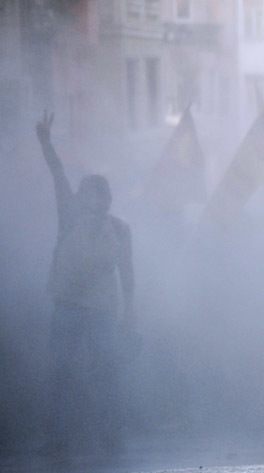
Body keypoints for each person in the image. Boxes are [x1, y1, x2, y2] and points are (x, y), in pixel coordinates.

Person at [36, 112, 135, 455]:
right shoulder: (69, 214)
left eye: (102, 197)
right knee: (60, 372)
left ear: (108, 200)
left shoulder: (120, 230)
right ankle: (57, 437)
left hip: (101, 310)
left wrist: (130, 313)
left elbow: (128, 273)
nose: (97, 203)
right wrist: (46, 142)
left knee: (106, 373)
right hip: (67, 305)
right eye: (91, 196)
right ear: (81, 198)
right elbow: (58, 174)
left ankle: (111, 436)